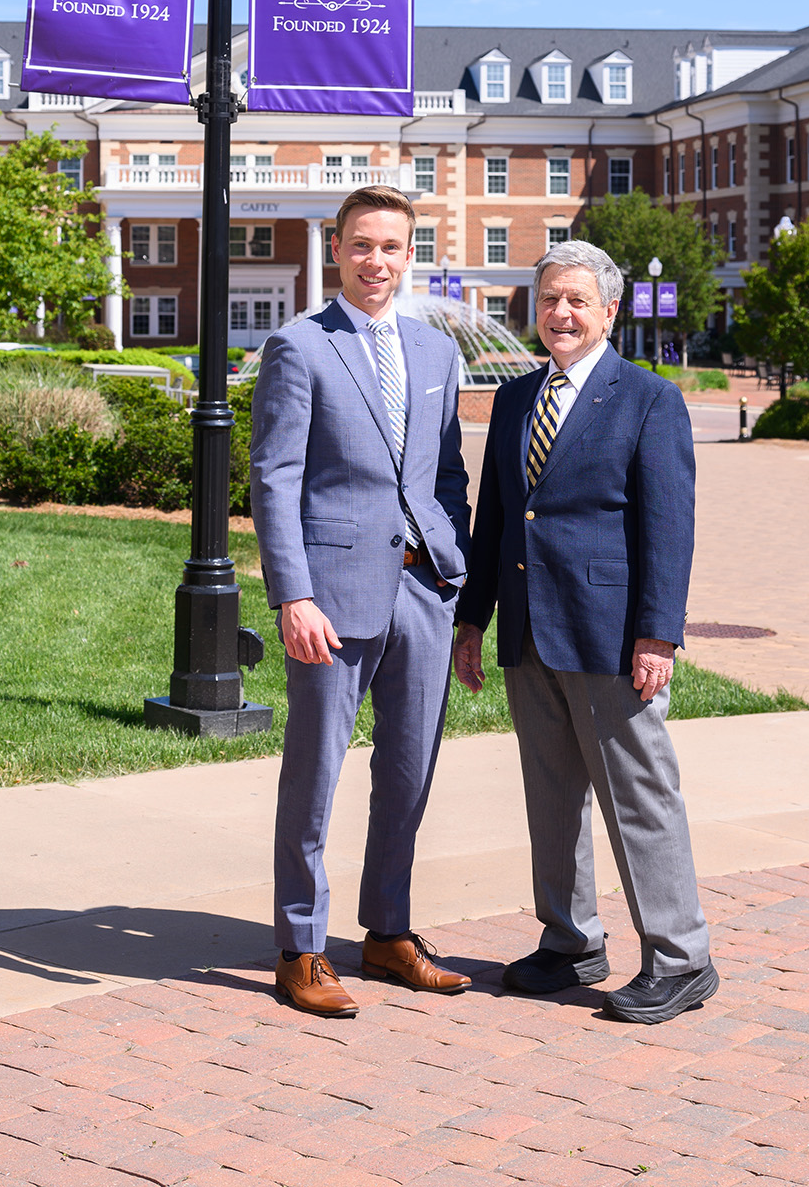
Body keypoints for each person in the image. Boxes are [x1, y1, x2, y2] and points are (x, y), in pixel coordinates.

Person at [453, 239, 718, 1024]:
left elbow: (669, 527)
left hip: (611, 636)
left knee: (639, 796)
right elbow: (496, 521)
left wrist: (658, 634)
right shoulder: (511, 400)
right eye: (549, 300)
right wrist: (473, 618)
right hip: (530, 632)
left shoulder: (647, 399)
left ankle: (681, 957)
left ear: (609, 310)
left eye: (577, 300)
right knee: (552, 796)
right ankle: (571, 940)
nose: (560, 314)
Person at [251, 185, 473, 1017]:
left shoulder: (435, 352)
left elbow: (446, 473)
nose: (377, 261)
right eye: (362, 246)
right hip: (332, 598)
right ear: (336, 248)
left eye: (392, 247)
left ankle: (387, 932)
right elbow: (274, 477)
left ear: (409, 255)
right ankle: (300, 947)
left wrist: (456, 572)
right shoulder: (300, 347)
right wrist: (292, 593)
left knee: (409, 772)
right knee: (315, 776)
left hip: (423, 589)